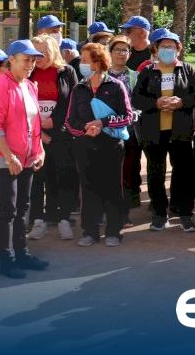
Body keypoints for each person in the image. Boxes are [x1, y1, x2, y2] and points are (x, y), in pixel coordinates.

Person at [0, 39, 49, 278]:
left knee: (23, 208)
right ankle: (7, 260)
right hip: (5, 159)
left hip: (27, 158)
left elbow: (34, 123)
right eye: (25, 60)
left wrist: (40, 150)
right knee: (8, 210)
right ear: (11, 60)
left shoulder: (29, 85)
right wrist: (9, 157)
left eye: (33, 60)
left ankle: (22, 253)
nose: (30, 65)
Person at [131, 28, 195, 232]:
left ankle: (185, 213)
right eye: (163, 46)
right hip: (154, 132)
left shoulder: (188, 70)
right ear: (156, 49)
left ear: (178, 49)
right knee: (156, 174)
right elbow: (136, 99)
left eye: (171, 46)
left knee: (183, 173)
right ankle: (159, 214)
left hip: (181, 131)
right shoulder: (147, 72)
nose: (167, 50)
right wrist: (156, 102)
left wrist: (181, 102)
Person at [65, 42, 135, 247]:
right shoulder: (78, 88)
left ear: (97, 63)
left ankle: (114, 232)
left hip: (111, 147)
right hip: (85, 146)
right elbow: (70, 121)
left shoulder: (116, 86)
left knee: (112, 189)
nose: (81, 64)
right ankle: (90, 231)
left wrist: (102, 123)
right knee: (88, 189)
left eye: (85, 60)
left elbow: (128, 116)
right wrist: (86, 129)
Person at [27, 35, 80, 242]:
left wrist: (54, 121)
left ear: (53, 51)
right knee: (37, 179)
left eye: (43, 52)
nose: (39, 57)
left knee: (64, 175)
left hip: (61, 134)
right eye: (36, 53)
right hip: (34, 135)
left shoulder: (67, 71)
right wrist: (39, 130)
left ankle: (63, 218)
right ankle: (37, 220)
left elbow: (73, 101)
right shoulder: (29, 72)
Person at [106, 35, 144, 209]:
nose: (121, 53)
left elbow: (140, 102)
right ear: (110, 52)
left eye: (125, 50)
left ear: (129, 54)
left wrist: (134, 113)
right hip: (107, 128)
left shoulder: (135, 76)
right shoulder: (102, 75)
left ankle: (130, 198)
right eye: (117, 50)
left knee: (131, 165)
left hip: (130, 129)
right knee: (110, 166)